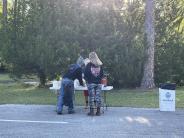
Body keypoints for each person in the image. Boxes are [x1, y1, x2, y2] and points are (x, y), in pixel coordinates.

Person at [84, 52, 103, 116]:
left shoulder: (88, 65)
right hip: (99, 83)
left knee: (91, 97)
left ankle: (92, 112)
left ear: (90, 57)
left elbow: (85, 74)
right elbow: (102, 75)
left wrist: (87, 80)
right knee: (98, 97)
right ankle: (98, 111)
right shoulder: (100, 65)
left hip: (91, 83)